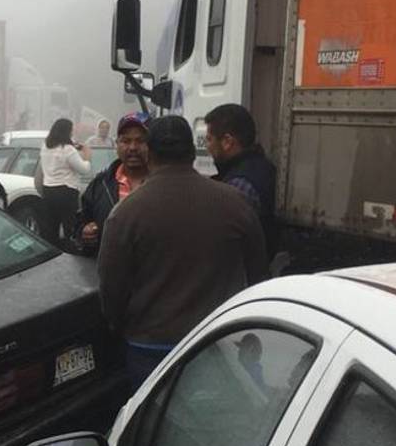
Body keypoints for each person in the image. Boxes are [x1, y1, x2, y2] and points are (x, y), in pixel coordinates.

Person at [98, 115, 268, 392]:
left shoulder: (125, 214)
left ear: (149, 154)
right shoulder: (235, 203)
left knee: (155, 428)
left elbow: (112, 289)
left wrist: (121, 326)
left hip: (150, 348)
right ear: (192, 153)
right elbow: (258, 276)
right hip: (218, 343)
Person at [204, 104, 278, 252]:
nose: (207, 146)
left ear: (227, 142)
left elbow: (223, 242)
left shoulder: (240, 186)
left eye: (209, 139)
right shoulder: (263, 166)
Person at [74, 112, 150, 255]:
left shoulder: (163, 185)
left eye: (140, 141)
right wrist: (84, 233)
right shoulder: (100, 184)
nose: (133, 147)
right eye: (126, 141)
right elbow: (80, 226)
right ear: (117, 144)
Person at [39, 118, 91, 248]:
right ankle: (70, 252)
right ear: (66, 132)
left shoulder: (45, 146)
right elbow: (84, 170)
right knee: (70, 226)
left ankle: (51, 253)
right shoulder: (68, 150)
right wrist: (87, 156)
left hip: (48, 190)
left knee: (51, 226)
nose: (72, 133)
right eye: (71, 130)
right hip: (66, 191)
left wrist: (75, 145)